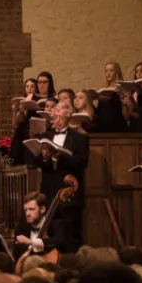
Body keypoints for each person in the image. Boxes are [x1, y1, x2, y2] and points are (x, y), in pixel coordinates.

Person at [21, 101, 88, 253]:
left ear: (68, 118)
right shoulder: (45, 136)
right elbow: (37, 162)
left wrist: (60, 156)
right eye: (55, 117)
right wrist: (44, 157)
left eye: (61, 117)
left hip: (70, 195)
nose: (57, 120)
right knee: (50, 234)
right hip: (49, 192)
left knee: (71, 235)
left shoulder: (79, 138)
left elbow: (82, 163)